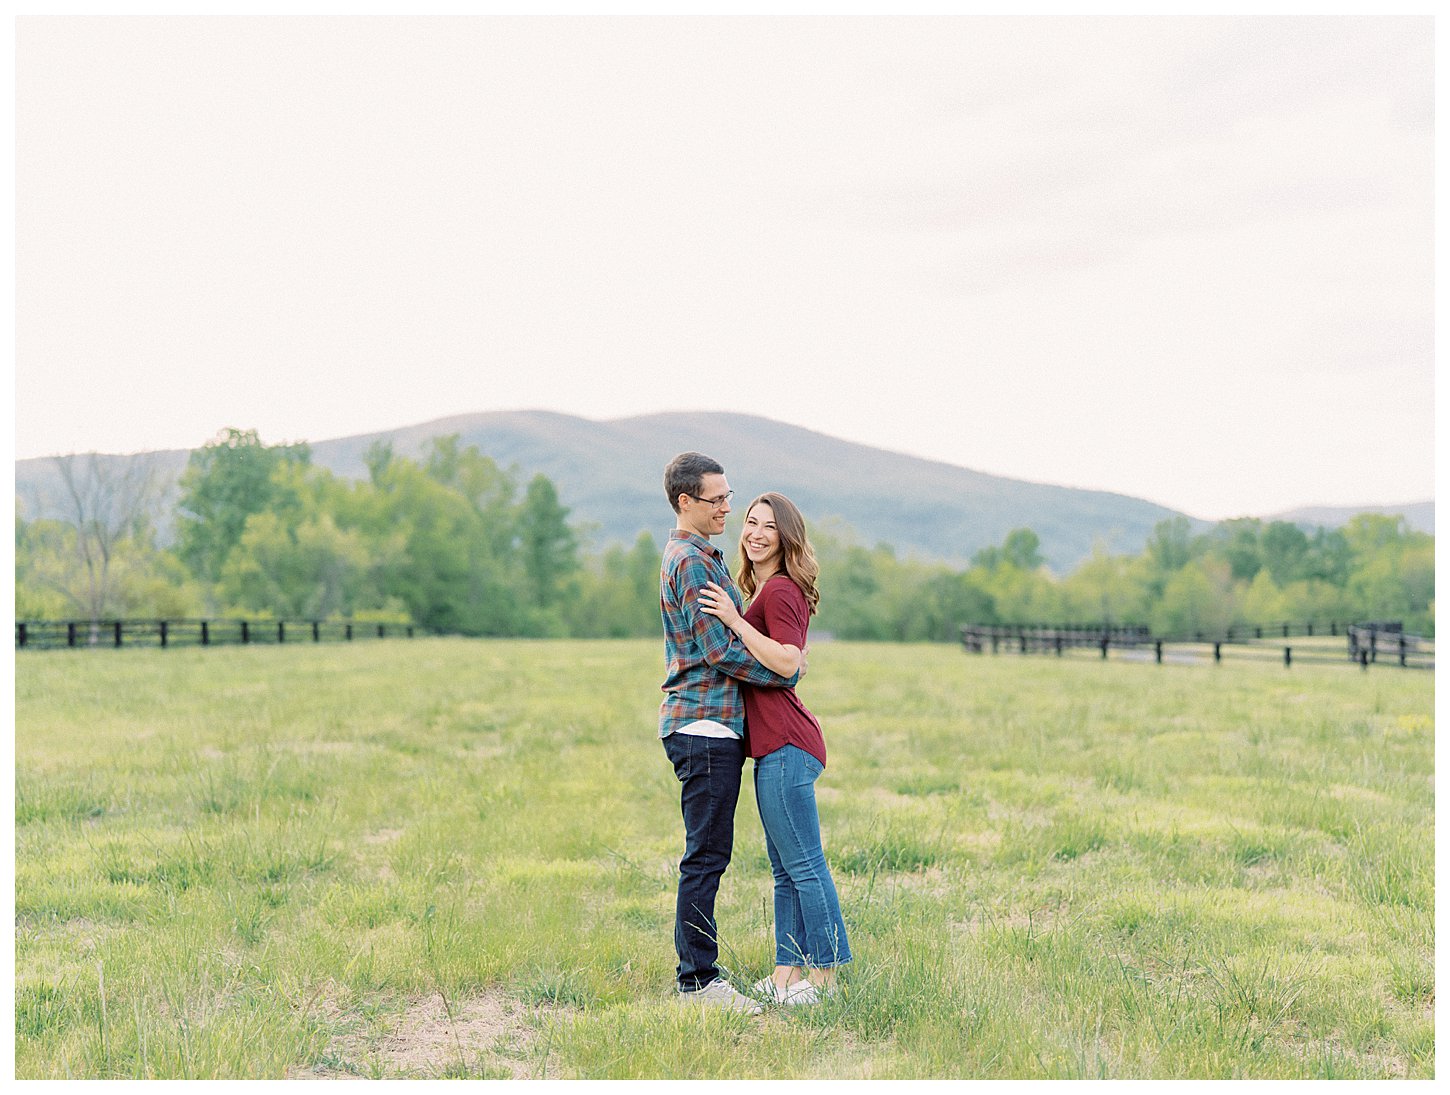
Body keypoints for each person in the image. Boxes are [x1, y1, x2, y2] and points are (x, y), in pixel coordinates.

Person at [658, 453, 803, 1014]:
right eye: (716, 499)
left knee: (710, 851)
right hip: (703, 724)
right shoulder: (692, 563)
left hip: (714, 727)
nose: (727, 507)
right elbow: (718, 652)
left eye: (728, 497)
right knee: (706, 855)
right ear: (684, 502)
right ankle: (698, 981)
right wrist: (786, 670)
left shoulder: (705, 557)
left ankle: (700, 975)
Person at [698, 492, 851, 1006]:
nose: (755, 533)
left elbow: (787, 662)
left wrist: (734, 620)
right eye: (750, 522)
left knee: (805, 865)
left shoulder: (780, 590)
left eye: (769, 526)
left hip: (786, 743)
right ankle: (787, 973)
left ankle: (826, 980)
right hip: (772, 746)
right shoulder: (766, 591)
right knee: (784, 868)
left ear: (786, 537)